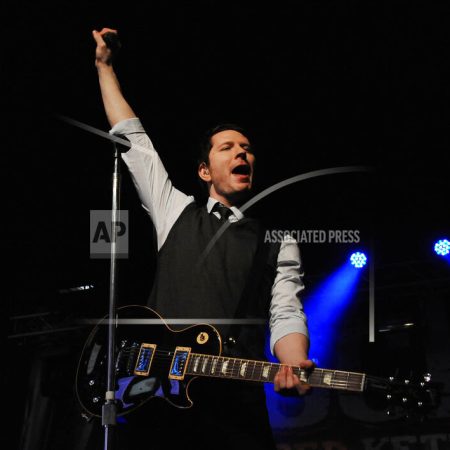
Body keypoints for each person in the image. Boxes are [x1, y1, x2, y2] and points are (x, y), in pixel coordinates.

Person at [92, 27, 314, 450]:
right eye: (228, 147)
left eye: (246, 148)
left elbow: (286, 311)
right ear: (204, 171)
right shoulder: (174, 210)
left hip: (235, 404)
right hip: (158, 400)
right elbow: (134, 140)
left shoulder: (278, 239)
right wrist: (105, 66)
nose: (241, 153)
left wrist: (292, 363)